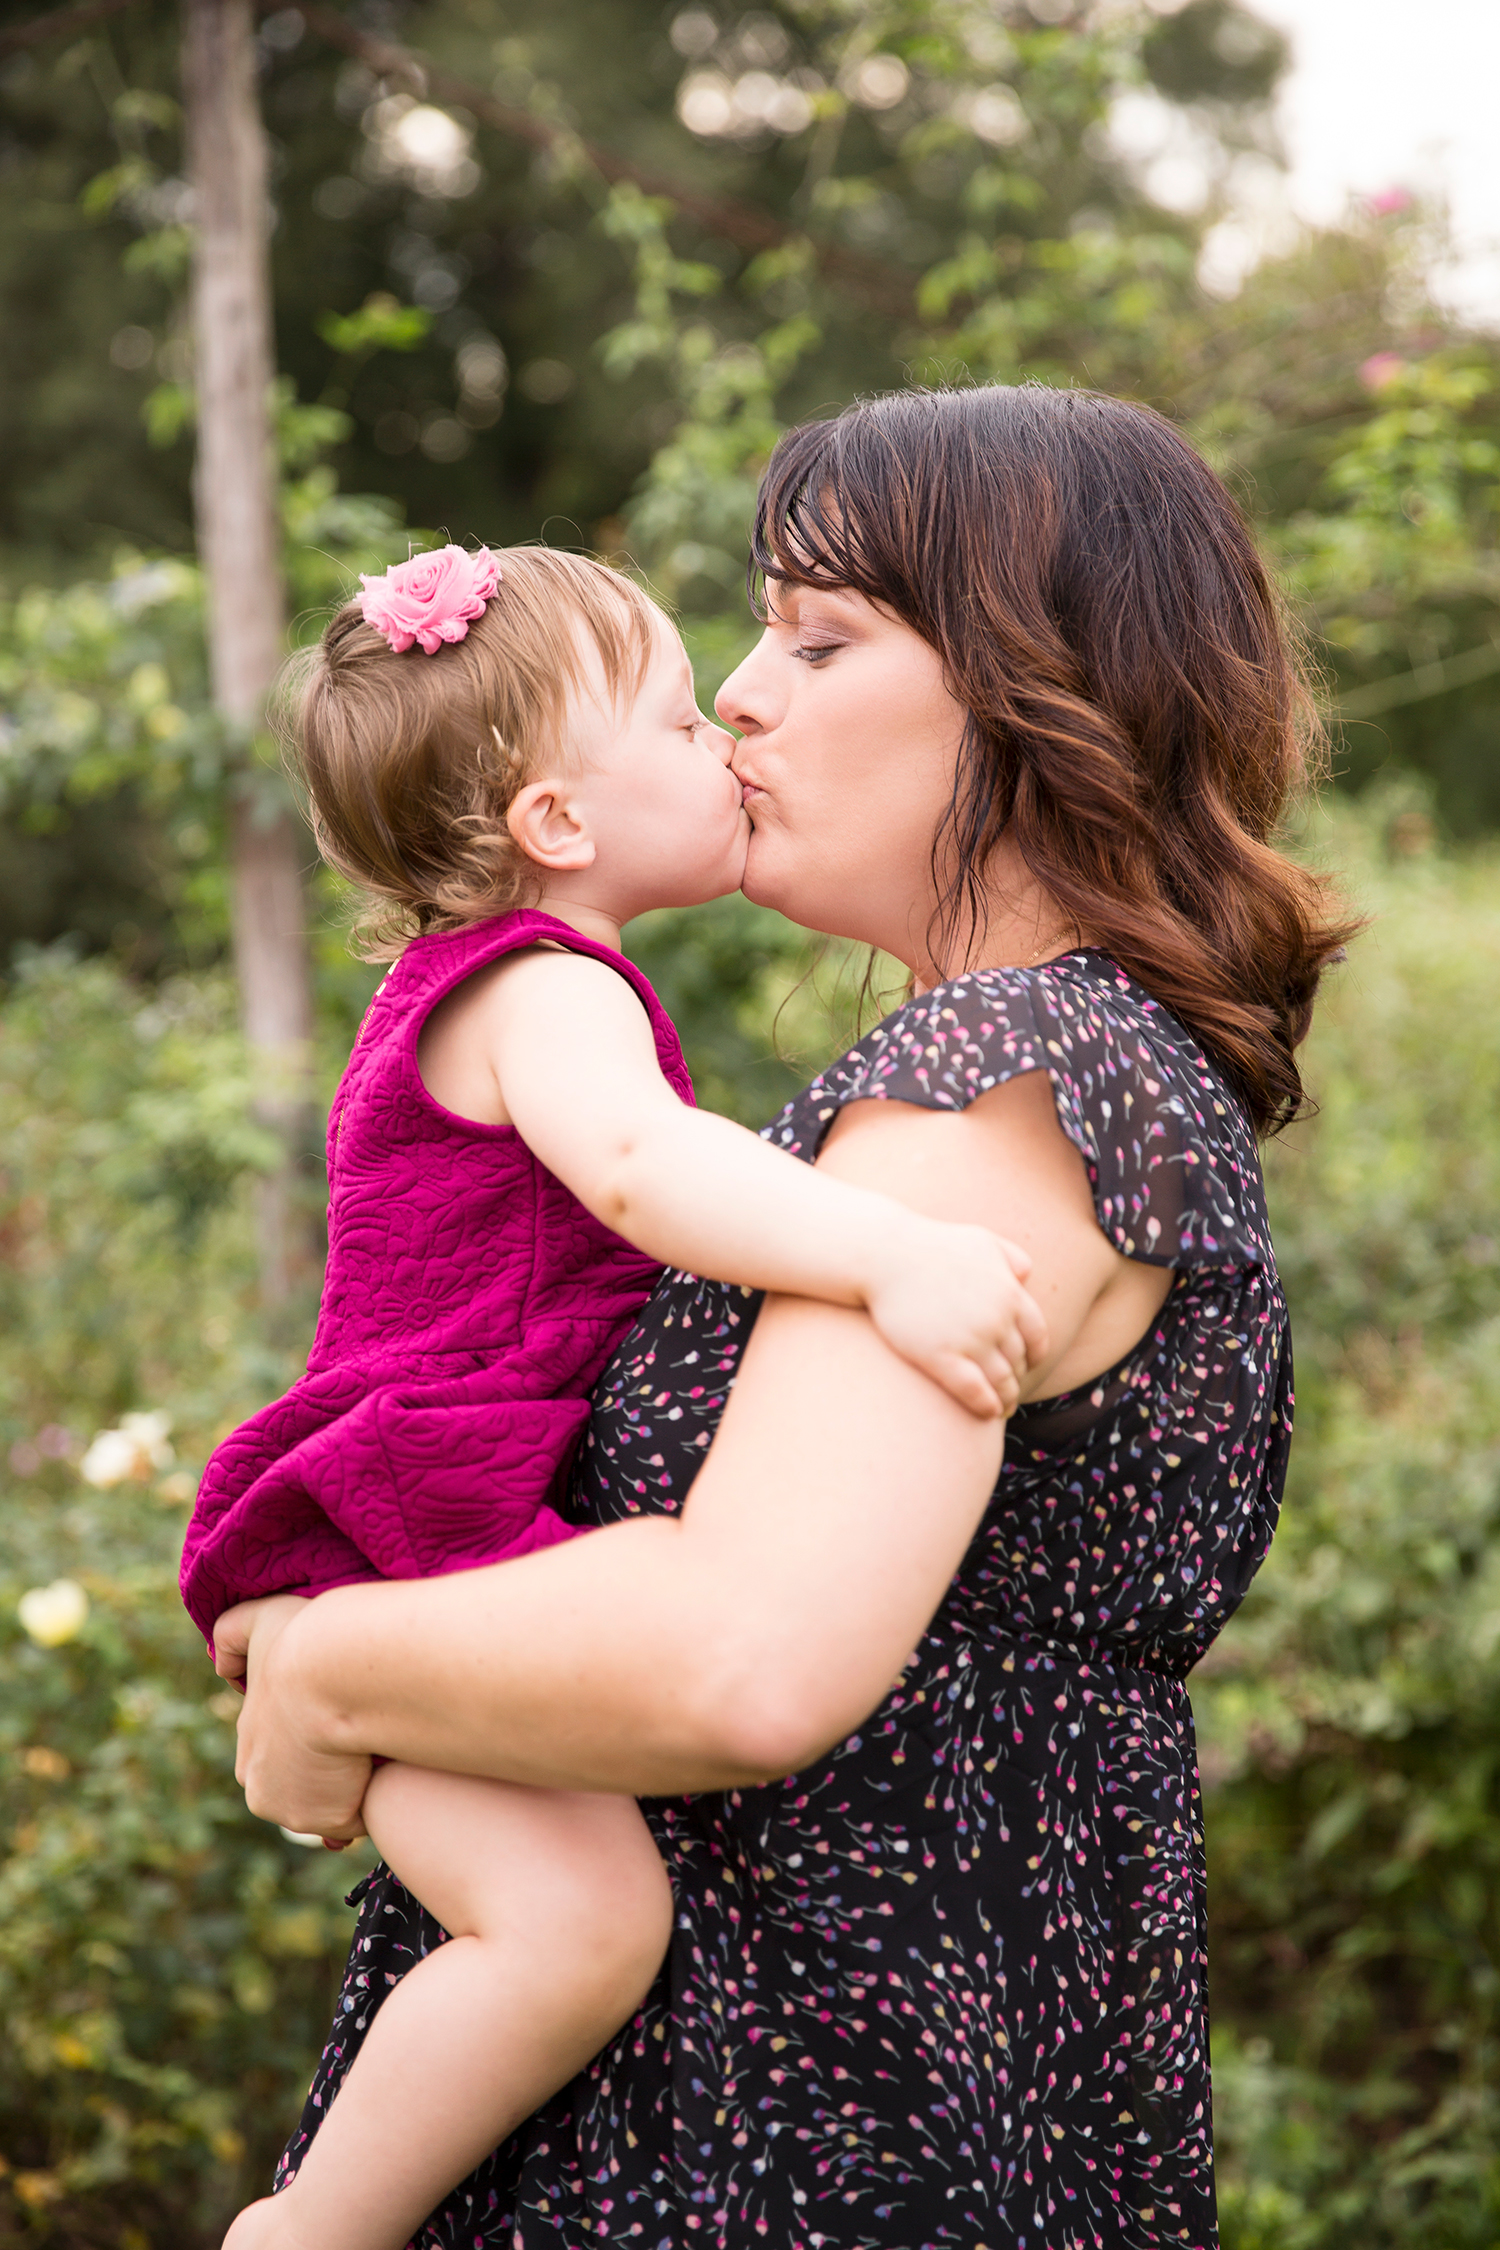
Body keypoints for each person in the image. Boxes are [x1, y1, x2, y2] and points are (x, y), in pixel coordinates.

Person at [217, 383, 1358, 2250]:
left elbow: (746, 1653)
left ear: (1034, 688)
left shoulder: (1006, 1071)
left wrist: (328, 1666)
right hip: (889, 2082)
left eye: (818, 638)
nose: (743, 692)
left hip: (794, 2122)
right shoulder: (1039, 1066)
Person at [184, 540, 1046, 2250]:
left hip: (401, 1537)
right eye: (674, 717)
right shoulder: (546, 988)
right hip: (412, 1531)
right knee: (575, 1933)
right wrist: (885, 1251)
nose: (728, 722)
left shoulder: (485, 985)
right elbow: (655, 1171)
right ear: (560, 825)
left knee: (572, 1925)